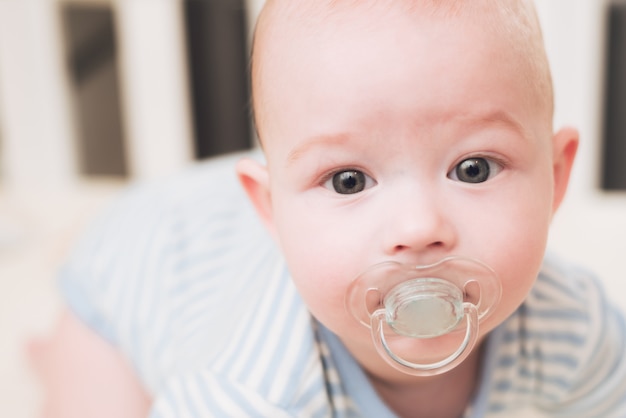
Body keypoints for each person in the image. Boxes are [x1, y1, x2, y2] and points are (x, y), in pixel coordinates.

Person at [31, 0, 626, 417]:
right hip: (137, 267)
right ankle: (55, 356)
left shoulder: (573, 326)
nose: (418, 228)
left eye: (473, 168)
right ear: (271, 212)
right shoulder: (243, 391)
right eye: (347, 181)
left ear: (553, 177)